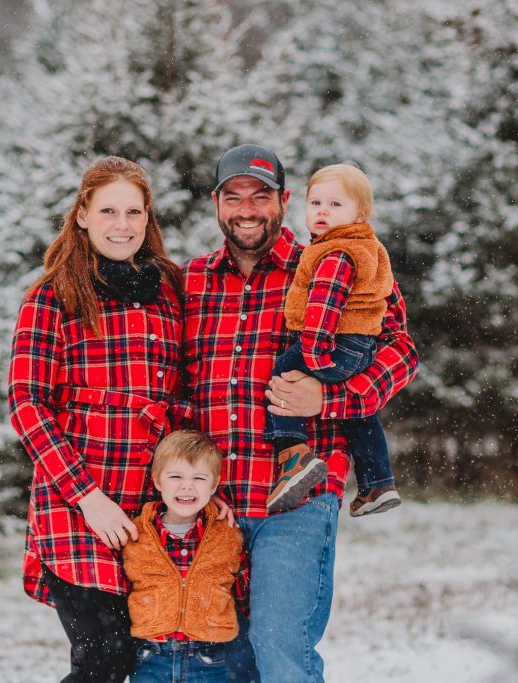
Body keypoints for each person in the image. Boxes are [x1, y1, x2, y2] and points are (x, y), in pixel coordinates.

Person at [181, 144, 418, 683]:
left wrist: (331, 400)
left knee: (281, 650)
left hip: (297, 500)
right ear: (216, 204)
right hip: (211, 506)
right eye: (233, 196)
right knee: (225, 660)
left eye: (260, 196)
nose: (246, 209)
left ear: (284, 202)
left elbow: (401, 350)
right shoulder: (190, 282)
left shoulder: (333, 261)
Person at [8, 156, 188, 683]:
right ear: (82, 214)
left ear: (148, 218)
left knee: (136, 657)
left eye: (134, 211)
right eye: (108, 209)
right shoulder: (52, 297)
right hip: (77, 500)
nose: (122, 224)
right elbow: (28, 405)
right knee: (104, 658)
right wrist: (88, 497)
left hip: (144, 503)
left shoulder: (168, 294)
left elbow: (180, 398)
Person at [264, 163, 401, 517]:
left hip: (334, 344)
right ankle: (378, 482)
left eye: (335, 205)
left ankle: (293, 455)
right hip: (360, 345)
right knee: (359, 415)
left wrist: (316, 356)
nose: (322, 211)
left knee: (284, 370)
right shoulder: (368, 248)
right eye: (316, 203)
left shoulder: (335, 254)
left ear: (361, 212)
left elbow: (324, 308)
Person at [123, 430, 244, 683]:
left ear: (213, 485)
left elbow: (242, 586)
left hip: (208, 656)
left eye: (199, 478)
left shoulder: (227, 534)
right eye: (175, 476)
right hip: (150, 655)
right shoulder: (137, 532)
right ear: (157, 480)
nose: (186, 485)